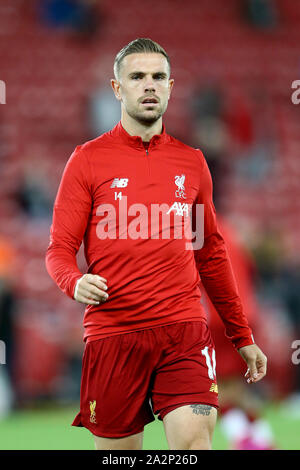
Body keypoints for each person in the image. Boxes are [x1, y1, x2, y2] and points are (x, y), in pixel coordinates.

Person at [45, 38, 267, 450]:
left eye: (158, 77)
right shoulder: (87, 160)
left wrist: (242, 336)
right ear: (117, 88)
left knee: (192, 447)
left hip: (183, 333)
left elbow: (212, 256)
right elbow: (59, 248)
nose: (149, 85)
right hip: (113, 335)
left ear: (170, 86)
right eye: (137, 77)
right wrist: (73, 281)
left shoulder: (192, 162)